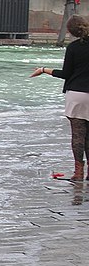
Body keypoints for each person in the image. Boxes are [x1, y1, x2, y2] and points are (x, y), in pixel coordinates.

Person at [31, 15, 89, 181]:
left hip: (76, 95)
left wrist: (43, 69)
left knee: (78, 135)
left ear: (71, 31)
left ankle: (78, 173)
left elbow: (66, 74)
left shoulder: (73, 47)